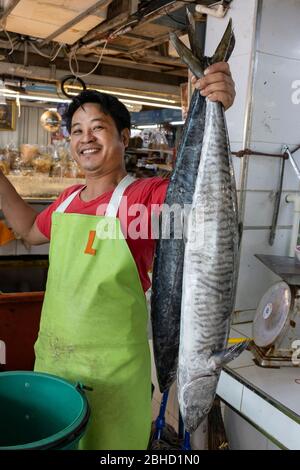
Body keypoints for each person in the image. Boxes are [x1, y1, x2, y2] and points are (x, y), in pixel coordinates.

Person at [0, 62, 235, 450]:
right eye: (76, 130)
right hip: (54, 368)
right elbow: (26, 230)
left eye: (98, 127)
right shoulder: (66, 201)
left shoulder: (147, 198)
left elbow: (204, 201)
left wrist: (215, 108)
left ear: (124, 136)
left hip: (114, 377)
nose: (85, 138)